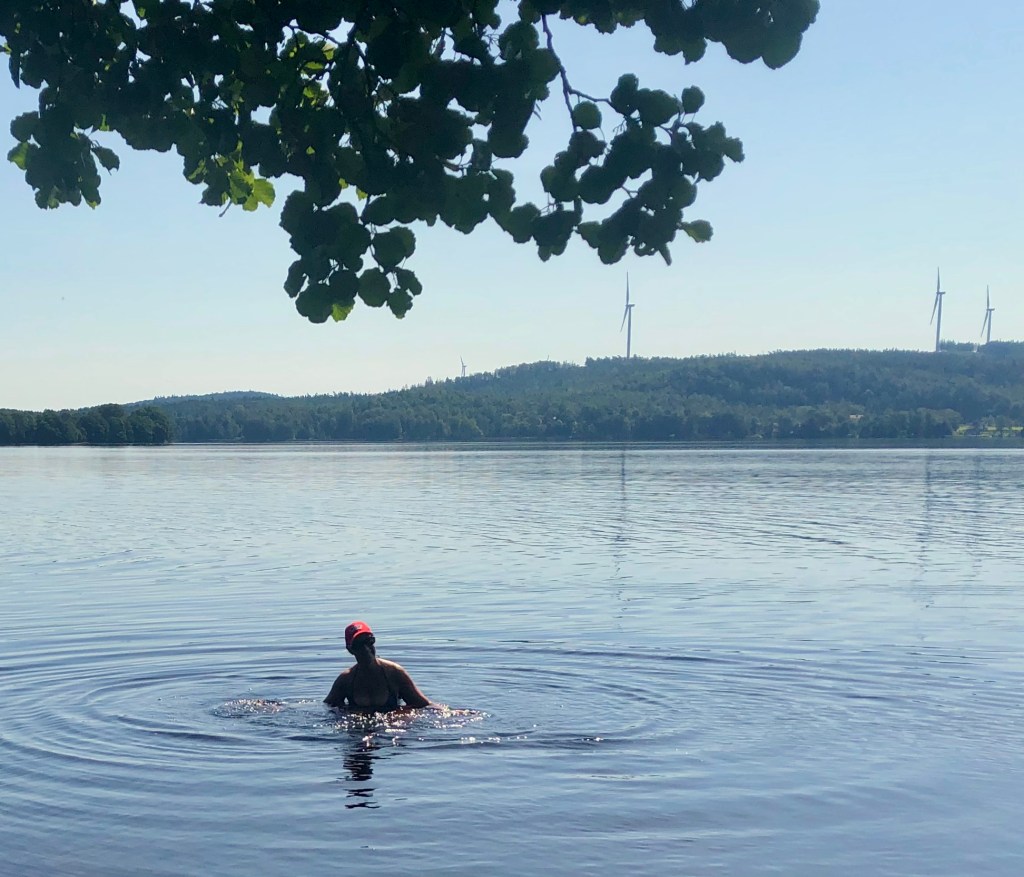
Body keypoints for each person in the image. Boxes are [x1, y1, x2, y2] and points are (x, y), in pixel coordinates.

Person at [324, 621, 434, 710]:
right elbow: (328, 707)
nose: (366, 649)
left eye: (369, 641)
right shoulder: (346, 680)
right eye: (359, 644)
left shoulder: (394, 673)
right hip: (358, 729)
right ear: (350, 650)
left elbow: (423, 705)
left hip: (391, 728)